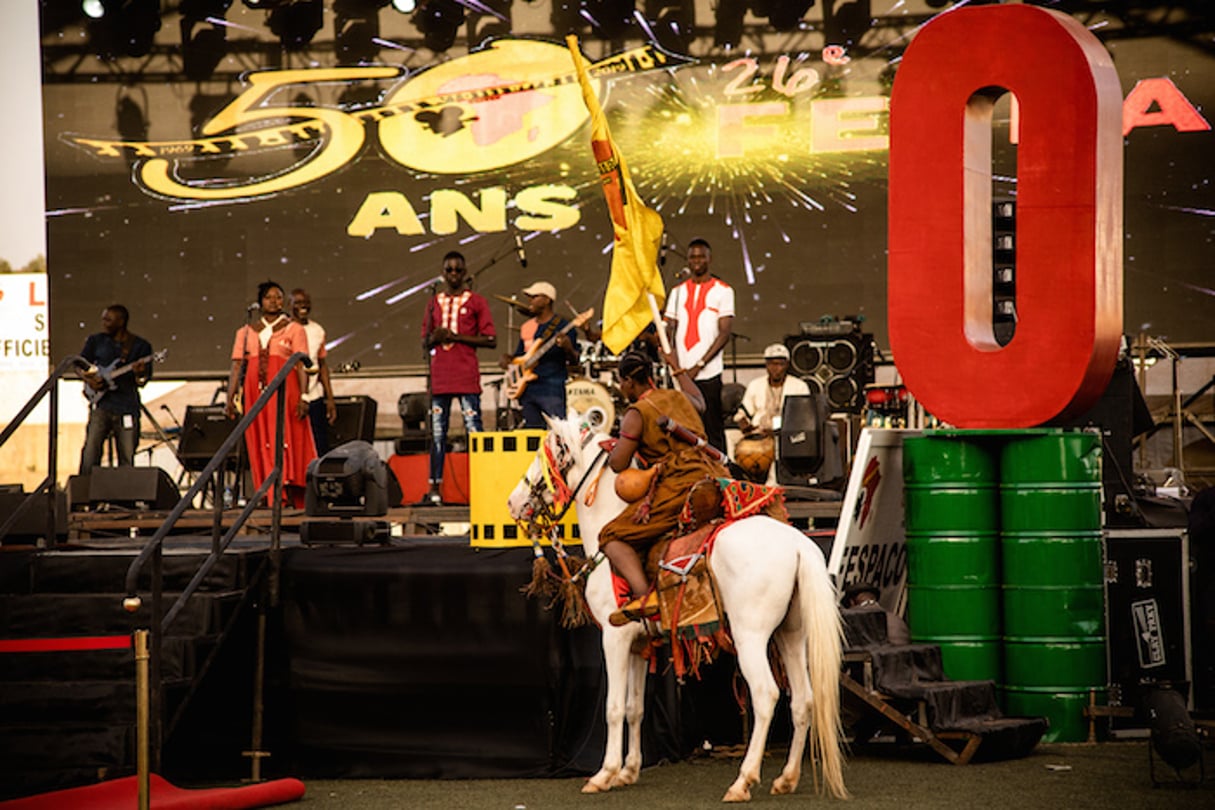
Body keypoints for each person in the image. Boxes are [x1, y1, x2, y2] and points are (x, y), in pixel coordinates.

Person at [601, 351, 729, 626]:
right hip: (714, 476)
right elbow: (701, 403)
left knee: (610, 536)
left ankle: (644, 597)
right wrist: (677, 368)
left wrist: (618, 446)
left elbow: (618, 464)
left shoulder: (637, 412)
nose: (622, 389)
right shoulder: (678, 396)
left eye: (622, 383)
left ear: (628, 382)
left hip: (680, 483)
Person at [225, 280, 316, 508]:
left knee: (285, 438)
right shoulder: (245, 332)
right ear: (260, 302)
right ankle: (267, 492)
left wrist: (304, 396)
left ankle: (287, 490)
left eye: (278, 297)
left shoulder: (294, 329)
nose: (274, 301)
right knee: (260, 439)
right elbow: (237, 367)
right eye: (269, 297)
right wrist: (230, 397)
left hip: (286, 392)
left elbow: (301, 364)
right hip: (256, 394)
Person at [421, 251, 497, 505]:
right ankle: (435, 490)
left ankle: (484, 486)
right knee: (437, 434)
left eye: (458, 270)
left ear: (464, 273)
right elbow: (424, 340)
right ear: (443, 274)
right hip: (440, 377)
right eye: (449, 270)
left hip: (465, 377)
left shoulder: (476, 301)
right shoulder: (434, 303)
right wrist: (436, 337)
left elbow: (490, 339)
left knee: (474, 432)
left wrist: (456, 337)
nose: (453, 274)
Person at [664, 237, 734, 454]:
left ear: (709, 259)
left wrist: (699, 365)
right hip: (680, 373)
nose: (696, 261)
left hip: (708, 373)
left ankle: (722, 476)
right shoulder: (677, 292)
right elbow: (669, 328)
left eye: (700, 257)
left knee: (712, 428)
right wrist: (671, 357)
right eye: (692, 257)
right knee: (683, 428)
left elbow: (724, 334)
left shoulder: (723, 291)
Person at [78, 304, 153, 475]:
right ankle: (85, 495)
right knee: (90, 453)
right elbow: (78, 364)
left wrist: (139, 374)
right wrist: (88, 380)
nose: (104, 323)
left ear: (121, 321)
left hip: (127, 406)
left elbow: (143, 381)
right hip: (101, 406)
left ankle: (124, 498)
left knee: (127, 457)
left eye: (108, 320)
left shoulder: (140, 346)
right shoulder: (95, 341)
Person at [501, 281, 578, 428]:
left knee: (559, 432)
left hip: (552, 387)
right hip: (528, 388)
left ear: (547, 300)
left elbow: (575, 361)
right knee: (533, 435)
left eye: (534, 296)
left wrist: (568, 348)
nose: (530, 300)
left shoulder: (563, 326)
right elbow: (521, 356)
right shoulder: (528, 326)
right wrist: (508, 359)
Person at [735, 343, 811, 485]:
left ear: (787, 365)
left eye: (780, 364)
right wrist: (745, 425)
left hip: (789, 434)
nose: (776, 368)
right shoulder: (755, 385)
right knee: (733, 439)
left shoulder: (799, 386)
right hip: (759, 434)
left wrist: (778, 431)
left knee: (776, 445)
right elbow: (742, 414)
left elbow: (803, 419)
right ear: (766, 365)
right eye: (772, 364)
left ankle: (773, 485)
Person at [291, 288, 338, 456]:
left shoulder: (318, 330)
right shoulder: (286, 329)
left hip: (315, 397)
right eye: (297, 303)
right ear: (290, 305)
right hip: (292, 399)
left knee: (320, 448)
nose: (303, 306)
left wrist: (330, 399)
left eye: (306, 303)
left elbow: (322, 364)